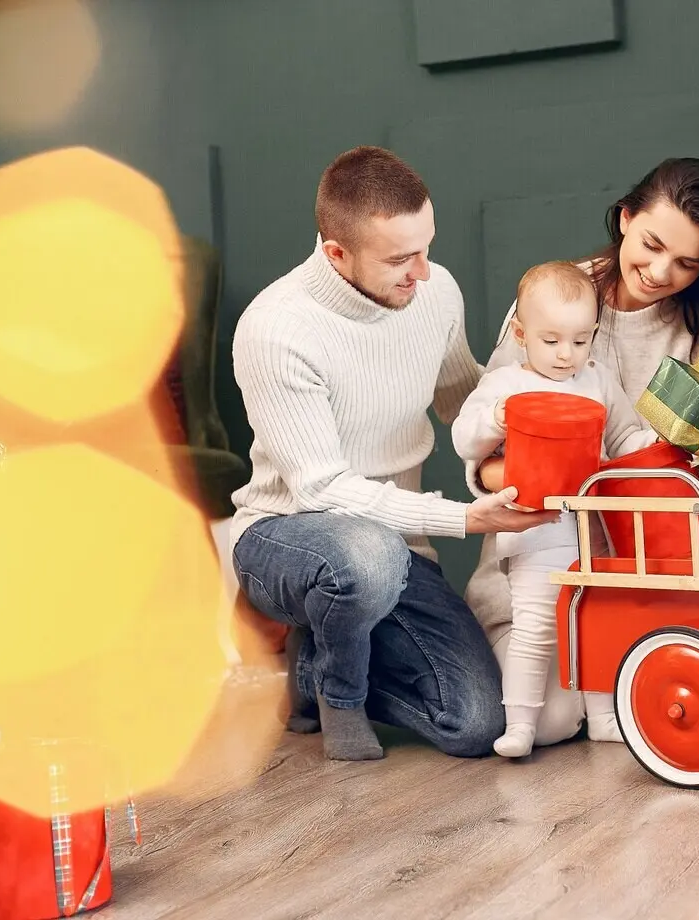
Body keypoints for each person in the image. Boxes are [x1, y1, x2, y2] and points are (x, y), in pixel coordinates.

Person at [464, 157, 699, 748]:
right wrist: (537, 478)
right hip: (540, 562)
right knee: (542, 720)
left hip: (651, 580)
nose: (659, 271)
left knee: (626, 706)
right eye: (650, 245)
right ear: (625, 218)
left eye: (686, 263)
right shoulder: (553, 296)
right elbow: (491, 440)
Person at [229, 146, 555, 762]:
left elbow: (464, 399)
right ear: (337, 254)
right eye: (401, 258)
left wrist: (541, 402)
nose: (423, 272)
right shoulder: (276, 329)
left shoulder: (434, 293)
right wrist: (464, 518)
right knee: (367, 554)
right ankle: (337, 689)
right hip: (285, 536)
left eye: (427, 248)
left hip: (395, 548)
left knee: (478, 724)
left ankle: (314, 666)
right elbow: (320, 490)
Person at [451, 261, 660, 757]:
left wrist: (651, 445)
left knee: (596, 622)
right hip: (534, 534)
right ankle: (519, 723)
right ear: (521, 335)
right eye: (551, 341)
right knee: (537, 628)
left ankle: (607, 716)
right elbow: (465, 439)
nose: (567, 355)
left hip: (592, 534)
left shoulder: (598, 379)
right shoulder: (505, 385)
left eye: (580, 340)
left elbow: (625, 434)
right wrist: (496, 421)